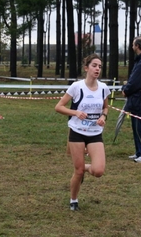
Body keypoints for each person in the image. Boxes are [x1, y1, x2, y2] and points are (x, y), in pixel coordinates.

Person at [55, 54, 110, 211]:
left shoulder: (104, 88)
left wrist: (103, 116)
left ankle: (87, 167)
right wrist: (75, 113)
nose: (97, 68)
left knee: (98, 171)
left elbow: (105, 107)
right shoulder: (76, 87)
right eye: (94, 65)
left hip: (95, 133)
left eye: (99, 66)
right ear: (86, 68)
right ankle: (74, 200)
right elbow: (59, 107)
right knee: (78, 171)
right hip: (77, 132)